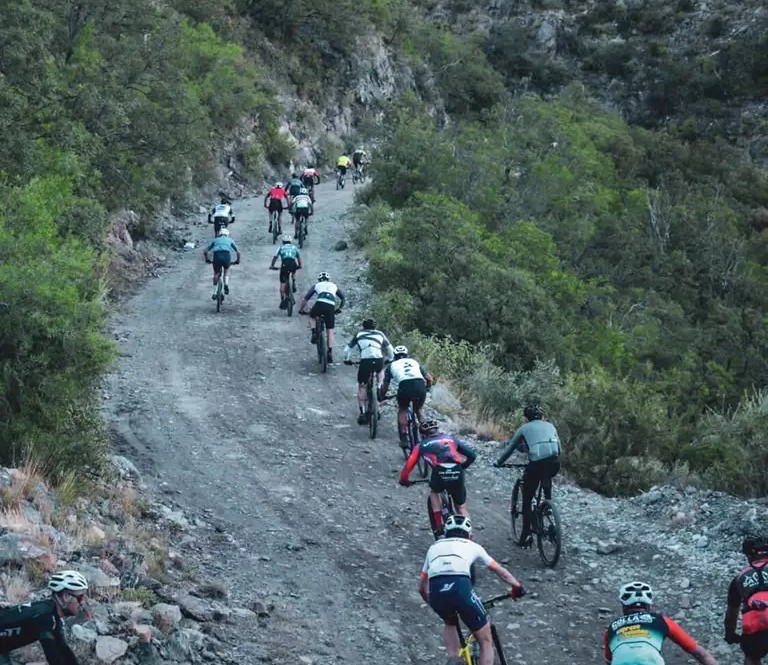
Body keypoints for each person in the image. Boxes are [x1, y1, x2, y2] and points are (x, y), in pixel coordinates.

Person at [419, 515, 525, 665]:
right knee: (485, 639)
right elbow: (500, 572)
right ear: (470, 535)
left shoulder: (434, 547)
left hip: (436, 591)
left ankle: (452, 659)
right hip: (460, 588)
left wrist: (434, 603)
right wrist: (517, 587)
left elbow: (421, 587)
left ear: (446, 533)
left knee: (449, 621)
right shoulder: (473, 545)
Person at [493, 404, 560, 547]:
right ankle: (548, 503)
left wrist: (499, 462)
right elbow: (559, 448)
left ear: (525, 418)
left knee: (527, 498)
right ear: (542, 417)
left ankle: (526, 534)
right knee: (546, 473)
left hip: (536, 465)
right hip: (554, 463)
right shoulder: (551, 426)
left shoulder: (524, 428)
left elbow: (510, 448)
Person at [605, 581, 718, 665]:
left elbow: (609, 660)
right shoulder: (662, 621)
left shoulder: (612, 628)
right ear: (648, 606)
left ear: (624, 606)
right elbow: (700, 654)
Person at [400, 420, 477, 538]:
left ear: (423, 434)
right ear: (437, 430)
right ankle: (469, 534)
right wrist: (464, 466)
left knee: (435, 491)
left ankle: (439, 524)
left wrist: (404, 479)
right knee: (461, 507)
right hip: (457, 470)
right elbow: (472, 455)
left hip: (439, 471)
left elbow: (409, 464)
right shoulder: (451, 439)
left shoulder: (421, 445)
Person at [0, 570, 89, 665]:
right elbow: (52, 655)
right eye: (80, 598)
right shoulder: (45, 617)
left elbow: (63, 648)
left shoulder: (52, 615)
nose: (82, 602)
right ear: (65, 596)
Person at [377, 345, 433, 446]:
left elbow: (385, 385)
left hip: (405, 386)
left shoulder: (391, 366)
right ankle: (428, 433)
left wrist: (381, 396)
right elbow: (429, 378)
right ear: (407, 355)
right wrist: (427, 388)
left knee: (402, 409)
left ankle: (404, 439)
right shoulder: (414, 362)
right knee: (419, 409)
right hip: (420, 386)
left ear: (394, 356)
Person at [724, 536, 768, 664]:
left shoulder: (740, 578)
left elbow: (731, 615)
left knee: (752, 657)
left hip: (756, 625)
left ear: (749, 556)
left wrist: (730, 635)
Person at [342, 319, 394, 425]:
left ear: (363, 326)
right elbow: (390, 349)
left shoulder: (359, 334)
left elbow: (347, 350)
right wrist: (390, 358)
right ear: (375, 327)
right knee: (380, 372)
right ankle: (379, 388)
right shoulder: (380, 334)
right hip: (378, 360)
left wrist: (347, 359)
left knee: (362, 386)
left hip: (365, 362)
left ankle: (362, 413)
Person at [298, 272, 345, 365]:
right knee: (330, 330)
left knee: (312, 316)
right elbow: (343, 298)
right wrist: (339, 309)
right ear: (328, 279)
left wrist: (301, 310)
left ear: (319, 279)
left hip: (320, 303)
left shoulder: (317, 285)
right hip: (331, 306)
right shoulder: (334, 285)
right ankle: (330, 353)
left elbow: (305, 299)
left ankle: (314, 331)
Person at [203, 227, 240, 300]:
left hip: (217, 256)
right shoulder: (230, 240)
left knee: (216, 273)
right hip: (226, 256)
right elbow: (238, 252)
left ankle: (214, 292)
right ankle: (226, 284)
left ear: (219, 234)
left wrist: (207, 259)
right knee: (226, 271)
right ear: (227, 235)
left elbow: (205, 251)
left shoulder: (215, 240)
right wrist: (237, 261)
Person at [269, 235, 302, 309]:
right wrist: (300, 265)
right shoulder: (294, 247)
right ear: (290, 242)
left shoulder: (281, 247)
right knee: (294, 268)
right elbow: (299, 258)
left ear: (283, 242)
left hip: (284, 265)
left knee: (282, 283)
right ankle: (293, 281)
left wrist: (272, 266)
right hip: (293, 263)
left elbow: (275, 257)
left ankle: (282, 299)